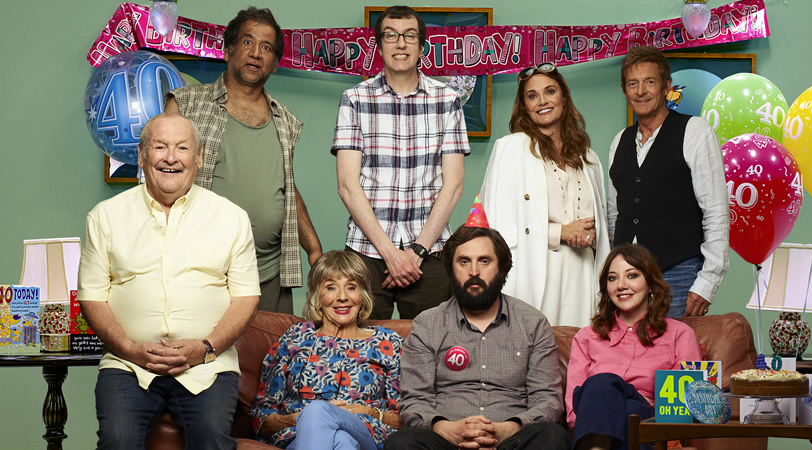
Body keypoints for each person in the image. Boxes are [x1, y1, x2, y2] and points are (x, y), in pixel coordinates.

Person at [77, 112, 260, 449]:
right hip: (127, 365)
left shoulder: (232, 218)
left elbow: (246, 298)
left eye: (182, 148)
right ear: (143, 156)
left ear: (199, 156)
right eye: (160, 147)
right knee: (117, 440)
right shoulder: (105, 216)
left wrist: (205, 348)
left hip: (208, 365)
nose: (171, 158)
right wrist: (129, 348)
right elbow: (92, 297)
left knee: (211, 439)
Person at [165, 6, 321, 314]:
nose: (256, 53)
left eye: (266, 47)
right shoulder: (186, 104)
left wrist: (314, 250)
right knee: (204, 357)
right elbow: (157, 182)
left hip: (270, 276)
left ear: (274, 64)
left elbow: (286, 189)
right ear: (228, 50)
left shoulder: (285, 120)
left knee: (272, 360)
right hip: (202, 272)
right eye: (248, 42)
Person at [332, 5, 468, 320]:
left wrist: (416, 252)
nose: (400, 43)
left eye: (409, 36)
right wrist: (391, 255)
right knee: (360, 350)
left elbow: (454, 185)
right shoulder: (354, 99)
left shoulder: (447, 101)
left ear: (422, 47)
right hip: (366, 253)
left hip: (430, 254)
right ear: (379, 46)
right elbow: (347, 186)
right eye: (391, 35)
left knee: (432, 354)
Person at [385, 226, 569, 450]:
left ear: (502, 268)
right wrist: (447, 429)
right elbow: (414, 401)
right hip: (446, 443)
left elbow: (547, 400)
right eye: (464, 262)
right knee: (401, 443)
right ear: (451, 270)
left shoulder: (533, 324)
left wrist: (506, 430)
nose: (474, 271)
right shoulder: (427, 325)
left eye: (484, 261)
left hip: (512, 442)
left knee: (553, 436)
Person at [481, 62, 610, 327]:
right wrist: (561, 232)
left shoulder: (589, 158)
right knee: (531, 348)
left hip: (581, 271)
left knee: (578, 349)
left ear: (563, 97)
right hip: (534, 266)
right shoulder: (511, 149)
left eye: (550, 91)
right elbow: (495, 225)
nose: (542, 101)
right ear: (525, 106)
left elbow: (603, 224)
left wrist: (591, 234)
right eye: (532, 95)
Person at [608, 45, 729, 318]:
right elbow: (615, 214)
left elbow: (716, 211)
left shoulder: (694, 131)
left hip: (680, 274)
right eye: (633, 84)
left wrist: (707, 283)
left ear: (666, 86)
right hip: (627, 281)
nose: (641, 91)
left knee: (672, 360)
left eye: (649, 82)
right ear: (624, 90)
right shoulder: (619, 142)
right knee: (630, 358)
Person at [251, 250, 404, 449]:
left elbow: (405, 419)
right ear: (317, 295)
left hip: (366, 433)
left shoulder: (388, 342)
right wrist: (303, 418)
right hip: (301, 436)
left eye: (351, 287)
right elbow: (260, 419)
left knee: (324, 417)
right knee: (341, 441)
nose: (342, 297)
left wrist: (371, 413)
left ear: (362, 295)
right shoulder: (295, 337)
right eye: (331, 287)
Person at [565, 244, 701, 450]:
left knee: (614, 393)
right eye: (612, 278)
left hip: (651, 427)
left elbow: (684, 405)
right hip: (599, 426)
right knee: (611, 394)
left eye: (632, 275)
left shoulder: (679, 335)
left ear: (650, 284)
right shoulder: (586, 337)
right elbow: (573, 408)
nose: (621, 285)